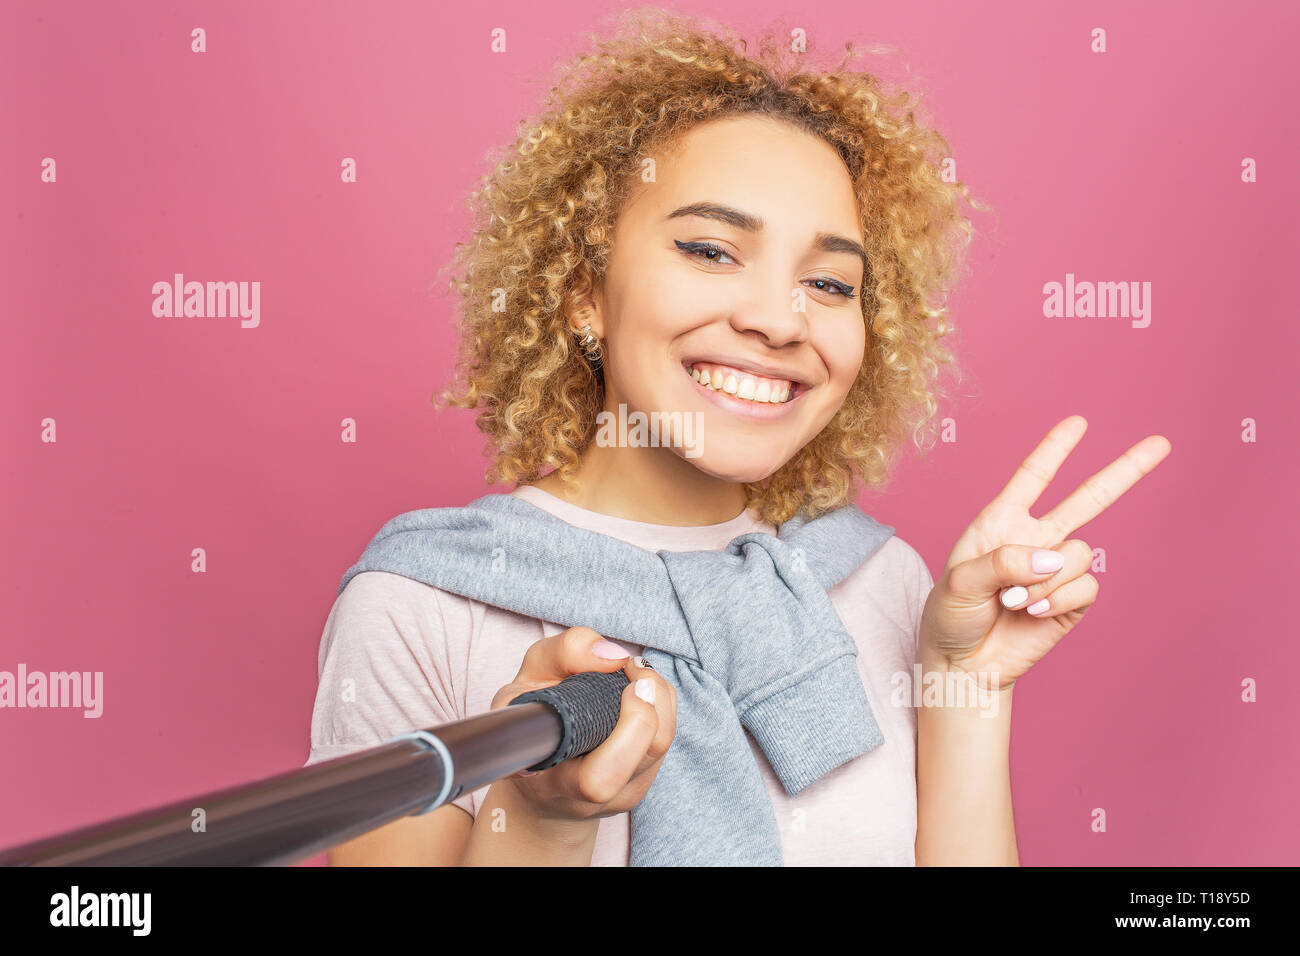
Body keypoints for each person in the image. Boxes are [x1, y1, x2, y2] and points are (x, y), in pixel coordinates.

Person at [302, 7, 1170, 866]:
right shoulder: (419, 607)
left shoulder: (886, 586)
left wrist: (966, 687)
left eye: (829, 284)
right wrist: (546, 820)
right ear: (583, 292)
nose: (778, 320)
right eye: (713, 251)